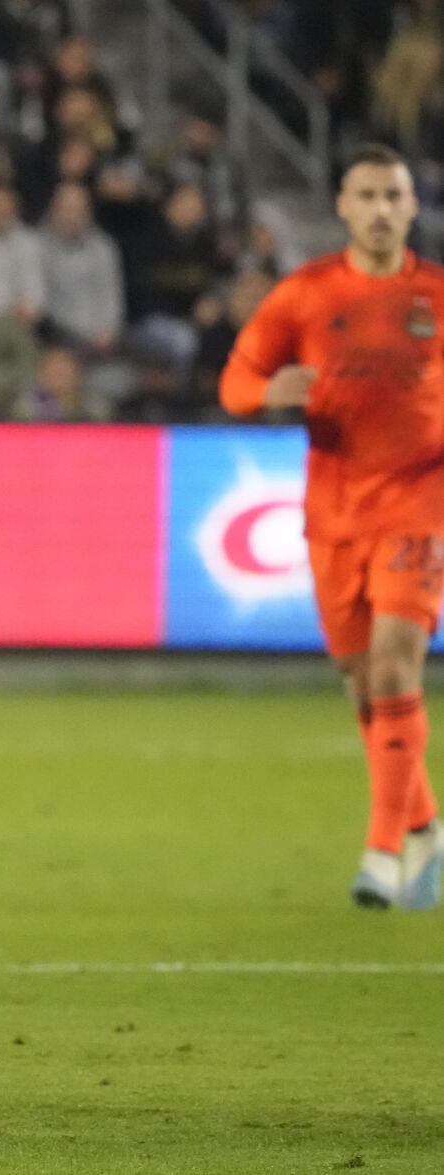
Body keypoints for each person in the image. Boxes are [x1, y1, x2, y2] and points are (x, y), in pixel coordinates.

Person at [220, 144, 444, 911]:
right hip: (333, 512)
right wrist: (266, 392)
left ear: (411, 207)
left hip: (418, 504)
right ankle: (421, 824)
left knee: (392, 665)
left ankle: (380, 854)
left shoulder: (437, 296)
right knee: (359, 682)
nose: (381, 209)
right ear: (342, 207)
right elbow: (234, 380)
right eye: (366, 195)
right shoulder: (304, 295)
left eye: (394, 195)